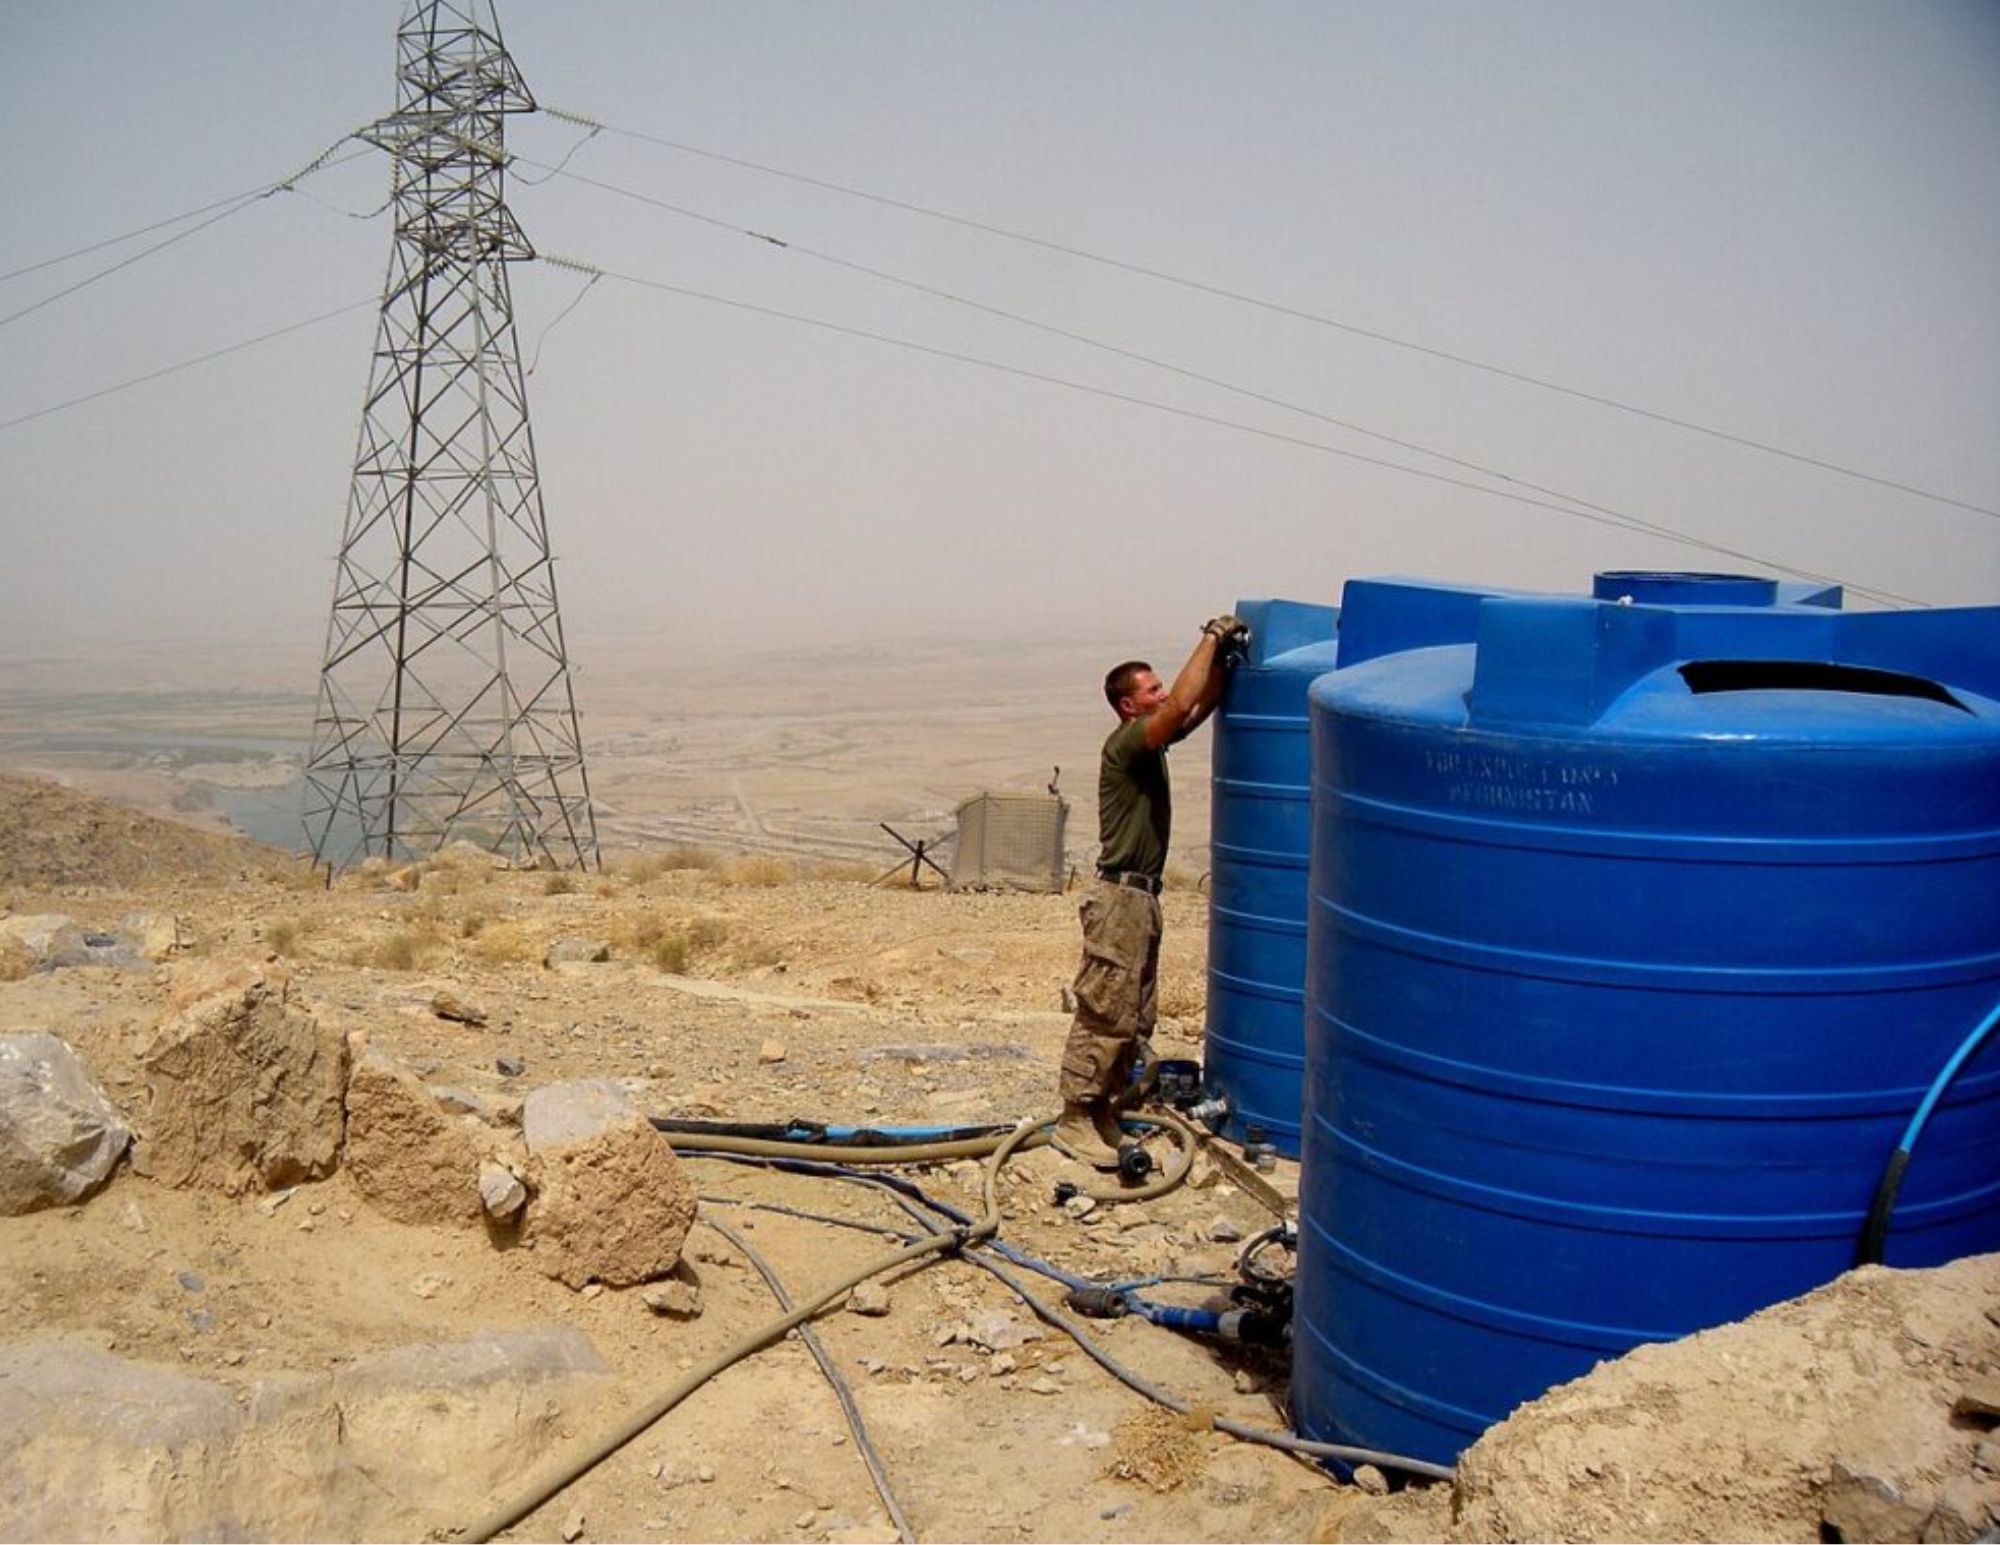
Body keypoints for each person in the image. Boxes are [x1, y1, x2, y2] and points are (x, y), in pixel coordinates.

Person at [1054, 613, 1247, 1169]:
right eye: (1150, 690)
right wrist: (1210, 638)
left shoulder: (1152, 744)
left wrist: (1224, 669)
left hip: (1142, 899)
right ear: (1127, 706)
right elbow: (1176, 708)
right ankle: (1074, 1118)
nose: (1161, 695)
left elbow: (1191, 707)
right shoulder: (1126, 745)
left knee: (1135, 1019)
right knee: (1105, 1013)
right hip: (1119, 899)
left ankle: (1101, 1114)